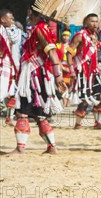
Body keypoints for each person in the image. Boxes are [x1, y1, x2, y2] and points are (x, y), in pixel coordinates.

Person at [9, 9, 65, 154]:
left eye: (29, 13)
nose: (27, 15)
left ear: (32, 14)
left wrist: (58, 75)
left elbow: (52, 52)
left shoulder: (40, 28)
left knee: (23, 112)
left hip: (34, 75)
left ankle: (20, 148)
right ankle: (52, 147)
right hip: (38, 75)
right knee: (40, 114)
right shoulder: (42, 28)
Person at [67, 13, 101, 129]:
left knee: (98, 95)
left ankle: (98, 123)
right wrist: (71, 70)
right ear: (86, 23)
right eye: (92, 21)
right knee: (85, 98)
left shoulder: (95, 36)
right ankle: (78, 124)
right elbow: (69, 51)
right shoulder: (80, 35)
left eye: (96, 21)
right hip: (83, 71)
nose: (95, 24)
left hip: (94, 71)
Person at [1, 9, 22, 126]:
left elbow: (16, 40)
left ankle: (9, 117)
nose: (12, 20)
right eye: (10, 18)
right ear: (3, 19)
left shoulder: (16, 32)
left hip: (12, 65)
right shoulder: (2, 31)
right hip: (2, 65)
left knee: (12, 91)